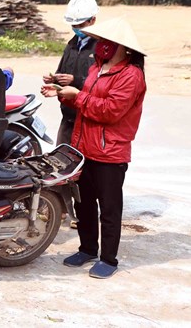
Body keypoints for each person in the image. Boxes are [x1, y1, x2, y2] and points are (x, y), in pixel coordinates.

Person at [41, 17, 146, 279]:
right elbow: (88, 104)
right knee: (84, 203)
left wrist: (79, 96)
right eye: (100, 41)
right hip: (83, 148)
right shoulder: (95, 68)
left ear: (123, 47)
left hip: (109, 152)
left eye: (107, 42)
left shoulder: (131, 75)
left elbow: (110, 111)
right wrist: (64, 93)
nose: (101, 45)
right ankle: (87, 248)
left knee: (109, 208)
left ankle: (109, 259)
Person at [43, 0, 98, 146]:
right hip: (68, 118)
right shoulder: (72, 44)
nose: (77, 29)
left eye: (80, 25)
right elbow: (61, 71)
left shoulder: (101, 48)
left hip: (88, 122)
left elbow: (102, 84)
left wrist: (76, 80)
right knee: (62, 164)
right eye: (74, 26)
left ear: (93, 20)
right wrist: (53, 80)